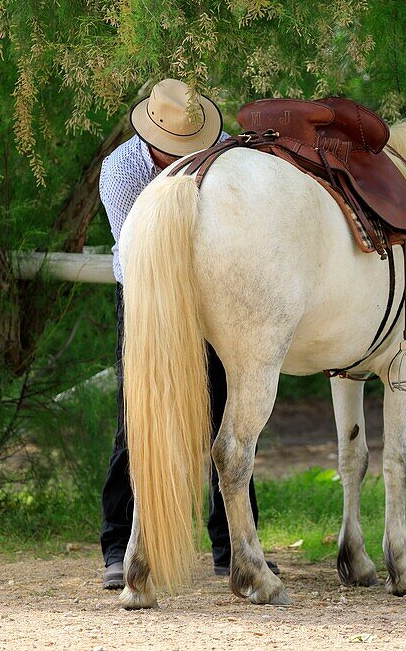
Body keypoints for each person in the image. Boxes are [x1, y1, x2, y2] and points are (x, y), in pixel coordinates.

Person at [98, 78, 276, 589]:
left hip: (208, 293)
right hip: (146, 293)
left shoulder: (215, 156)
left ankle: (232, 547)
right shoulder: (122, 172)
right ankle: (117, 545)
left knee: (226, 409)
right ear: (151, 134)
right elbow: (136, 254)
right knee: (137, 417)